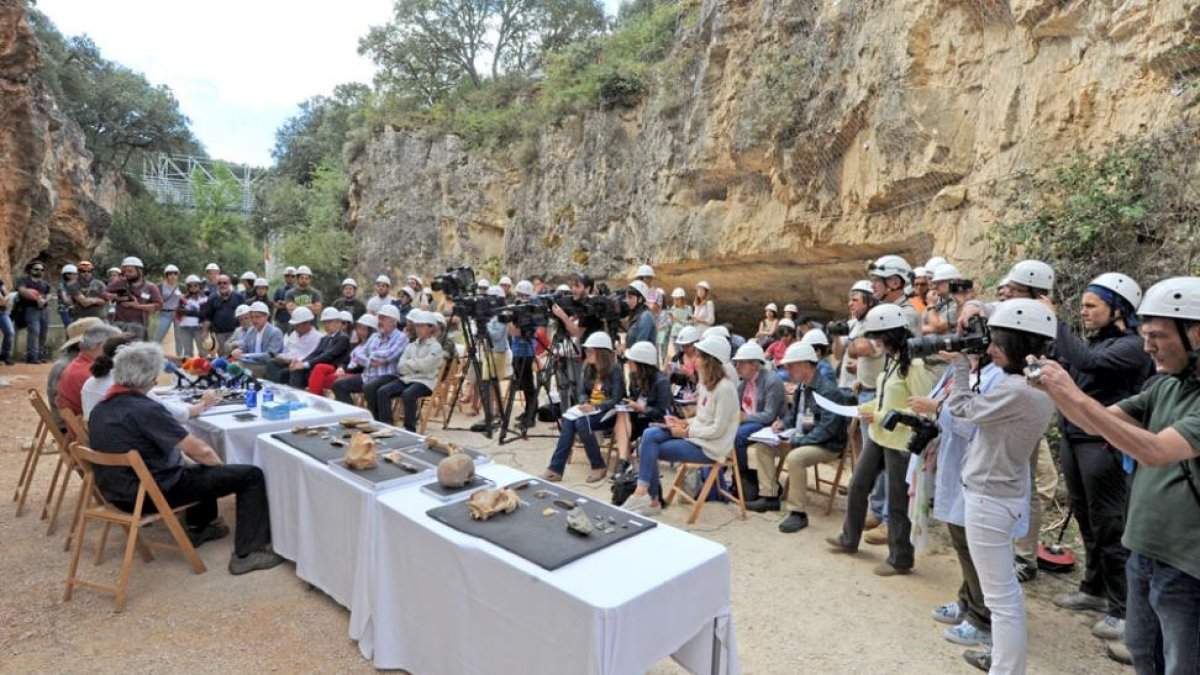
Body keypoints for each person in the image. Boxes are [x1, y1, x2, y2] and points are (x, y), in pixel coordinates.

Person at [1032, 276, 1200, 674]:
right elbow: (1099, 422)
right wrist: (1054, 388)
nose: (1147, 346)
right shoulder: (1166, 387)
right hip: (1143, 551)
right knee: (1144, 656)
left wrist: (1069, 392)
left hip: (1187, 565)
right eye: (1145, 335)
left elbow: (1155, 450)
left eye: (1157, 335)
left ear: (1196, 333)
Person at [88, 341, 284, 575]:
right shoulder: (146, 409)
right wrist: (222, 472)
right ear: (149, 376)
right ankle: (248, 552)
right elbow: (200, 450)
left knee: (193, 468)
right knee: (249, 475)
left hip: (117, 491)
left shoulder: (102, 406)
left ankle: (202, 526)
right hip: (149, 493)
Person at [944, 299, 1058, 673]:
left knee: (1001, 599)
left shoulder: (1020, 391)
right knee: (1003, 595)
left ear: (1020, 344)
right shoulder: (1031, 383)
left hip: (990, 498)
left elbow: (962, 409)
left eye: (997, 342)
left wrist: (961, 366)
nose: (990, 349)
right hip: (1001, 495)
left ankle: (1007, 669)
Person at [1049, 273, 1152, 641]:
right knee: (1086, 517)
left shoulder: (1131, 346)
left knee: (1110, 523)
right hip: (1076, 438)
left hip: (1103, 444)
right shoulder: (1094, 342)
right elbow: (1072, 362)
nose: (1085, 312)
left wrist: (1055, 320)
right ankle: (1093, 589)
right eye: (1083, 307)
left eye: (1092, 306)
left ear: (1118, 309)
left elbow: (1087, 361)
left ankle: (1124, 611)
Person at [827, 303, 932, 576]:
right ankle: (849, 538)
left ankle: (900, 558)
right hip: (879, 436)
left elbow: (923, 408)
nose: (876, 342)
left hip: (900, 442)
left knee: (897, 502)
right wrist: (869, 407)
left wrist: (883, 413)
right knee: (858, 484)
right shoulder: (893, 359)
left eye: (878, 337)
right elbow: (885, 396)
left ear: (891, 334)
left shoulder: (915, 364)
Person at [921, 354, 1006, 650]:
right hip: (958, 462)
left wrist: (938, 408)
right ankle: (967, 601)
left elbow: (969, 421)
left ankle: (982, 618)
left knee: (973, 545)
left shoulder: (999, 376)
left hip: (982, 468)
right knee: (960, 538)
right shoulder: (971, 370)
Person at [622, 335, 739, 514]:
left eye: (699, 356)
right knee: (649, 435)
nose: (695, 359)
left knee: (648, 447)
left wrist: (685, 432)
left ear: (710, 361)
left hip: (710, 447)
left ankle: (649, 498)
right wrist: (683, 422)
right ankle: (645, 494)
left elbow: (717, 430)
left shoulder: (725, 389)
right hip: (697, 437)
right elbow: (703, 417)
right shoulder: (706, 384)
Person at [746, 342, 849, 532]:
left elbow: (827, 430)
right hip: (803, 436)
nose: (787, 369)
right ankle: (769, 496)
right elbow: (795, 416)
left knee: (795, 458)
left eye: (791, 365)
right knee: (761, 447)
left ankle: (798, 512)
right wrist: (783, 424)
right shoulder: (803, 386)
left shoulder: (828, 391)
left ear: (805, 365)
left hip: (826, 444)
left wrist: (796, 441)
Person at [543, 331, 626, 484]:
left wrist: (595, 407)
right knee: (569, 420)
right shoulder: (588, 367)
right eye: (587, 350)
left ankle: (598, 466)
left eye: (591, 350)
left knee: (581, 423)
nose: (587, 353)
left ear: (601, 352)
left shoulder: (615, 370)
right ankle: (555, 468)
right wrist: (584, 402)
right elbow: (581, 392)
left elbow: (617, 399)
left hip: (608, 412)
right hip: (589, 409)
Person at [332, 304, 408, 420]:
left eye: (384, 318)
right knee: (339, 384)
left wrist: (370, 355)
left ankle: (381, 422)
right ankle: (352, 418)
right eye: (379, 318)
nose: (380, 321)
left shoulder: (401, 337)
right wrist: (370, 362)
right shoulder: (374, 336)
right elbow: (357, 353)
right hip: (367, 375)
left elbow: (390, 354)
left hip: (388, 376)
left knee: (369, 387)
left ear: (394, 322)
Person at [732, 341, 786, 496]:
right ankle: (732, 476)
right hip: (750, 420)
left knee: (738, 436)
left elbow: (769, 415)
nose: (737, 368)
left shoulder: (771, 381)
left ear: (754, 365)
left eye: (741, 364)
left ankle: (742, 476)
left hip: (768, 424)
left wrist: (744, 417)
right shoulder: (744, 382)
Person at [376, 310, 444, 431]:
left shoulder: (436, 347)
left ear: (431, 328)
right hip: (407, 379)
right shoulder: (411, 345)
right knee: (383, 391)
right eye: (417, 326)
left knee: (408, 394)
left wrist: (410, 364)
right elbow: (400, 366)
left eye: (422, 326)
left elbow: (426, 366)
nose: (418, 329)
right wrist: (415, 364)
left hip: (425, 382)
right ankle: (386, 425)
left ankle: (410, 429)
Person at [612, 341, 672, 475]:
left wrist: (641, 408)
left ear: (640, 363)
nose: (629, 363)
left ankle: (625, 463)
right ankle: (625, 460)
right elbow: (633, 397)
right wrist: (628, 404)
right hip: (637, 418)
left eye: (631, 360)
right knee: (622, 415)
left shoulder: (661, 382)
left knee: (622, 422)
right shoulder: (634, 377)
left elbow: (664, 413)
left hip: (653, 421)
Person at [54, 322, 122, 418]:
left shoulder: (77, 366)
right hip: (92, 430)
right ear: (102, 346)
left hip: (82, 427)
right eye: (117, 346)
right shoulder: (92, 374)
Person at [285, 307, 350, 390]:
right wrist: (300, 362)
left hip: (333, 367)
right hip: (320, 366)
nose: (327, 325)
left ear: (338, 323)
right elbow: (315, 353)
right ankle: (295, 394)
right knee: (293, 370)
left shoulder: (343, 338)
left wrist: (304, 365)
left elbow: (328, 355)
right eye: (325, 323)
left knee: (307, 369)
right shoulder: (325, 338)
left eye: (329, 322)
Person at [310, 313, 374, 396]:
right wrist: (341, 368)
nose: (360, 332)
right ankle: (315, 398)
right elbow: (345, 360)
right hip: (344, 370)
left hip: (357, 374)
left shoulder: (372, 346)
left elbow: (363, 365)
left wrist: (345, 370)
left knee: (324, 379)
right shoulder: (355, 345)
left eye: (364, 329)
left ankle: (316, 399)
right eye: (359, 328)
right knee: (319, 368)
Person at [104, 256, 163, 339]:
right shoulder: (119, 283)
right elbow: (103, 293)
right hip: (119, 326)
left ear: (139, 271)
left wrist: (136, 306)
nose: (127, 274)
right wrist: (116, 297)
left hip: (139, 328)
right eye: (124, 271)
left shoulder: (150, 287)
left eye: (130, 271)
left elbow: (158, 305)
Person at [266, 307, 321, 384]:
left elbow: (311, 357)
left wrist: (293, 361)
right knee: (271, 363)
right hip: (288, 361)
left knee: (286, 372)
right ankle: (271, 388)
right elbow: (287, 350)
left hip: (302, 365)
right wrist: (281, 356)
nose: (295, 328)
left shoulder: (317, 337)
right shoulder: (293, 334)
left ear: (306, 323)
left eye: (297, 325)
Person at [230, 302, 285, 377]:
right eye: (252, 317)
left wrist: (245, 355)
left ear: (266, 316)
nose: (254, 320)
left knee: (236, 367)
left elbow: (270, 355)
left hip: (266, 366)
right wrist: (239, 350)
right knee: (230, 365)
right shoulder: (251, 330)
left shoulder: (275, 332)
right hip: (251, 363)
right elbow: (245, 347)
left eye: (257, 317)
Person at [16, 261, 52, 363]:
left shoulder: (44, 283)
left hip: (44, 310)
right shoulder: (23, 280)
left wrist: (45, 300)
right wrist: (36, 299)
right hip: (31, 309)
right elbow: (22, 291)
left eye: (41, 270)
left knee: (43, 333)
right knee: (34, 332)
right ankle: (32, 356)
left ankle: (40, 355)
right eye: (36, 269)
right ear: (30, 270)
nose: (39, 271)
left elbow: (49, 293)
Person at [201, 274, 244, 356]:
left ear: (229, 284)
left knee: (235, 354)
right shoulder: (212, 298)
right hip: (219, 333)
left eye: (225, 283)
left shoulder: (238, 297)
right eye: (219, 283)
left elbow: (245, 314)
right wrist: (204, 331)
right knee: (223, 355)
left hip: (236, 332)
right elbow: (207, 317)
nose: (222, 285)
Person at [175, 276, 209, 358]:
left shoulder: (204, 298)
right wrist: (196, 312)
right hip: (185, 327)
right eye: (190, 285)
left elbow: (204, 314)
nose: (193, 287)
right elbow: (179, 311)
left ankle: (204, 369)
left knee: (203, 351)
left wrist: (188, 312)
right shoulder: (182, 298)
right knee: (187, 353)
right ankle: (188, 370)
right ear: (187, 287)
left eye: (195, 285)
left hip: (199, 327)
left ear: (199, 286)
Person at [155, 265, 183, 352]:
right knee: (159, 336)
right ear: (166, 275)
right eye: (170, 274)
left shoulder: (182, 287)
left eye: (175, 274)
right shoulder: (159, 287)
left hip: (178, 314)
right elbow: (154, 298)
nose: (173, 276)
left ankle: (180, 359)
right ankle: (154, 355)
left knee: (179, 338)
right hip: (165, 313)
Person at [624, 281, 657, 347]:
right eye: (626, 297)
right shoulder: (635, 315)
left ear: (640, 299)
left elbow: (640, 343)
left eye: (630, 297)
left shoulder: (646, 316)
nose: (627, 301)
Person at [272, 266, 296, 332]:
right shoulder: (279, 289)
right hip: (280, 320)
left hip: (294, 320)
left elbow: (298, 304)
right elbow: (274, 304)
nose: (290, 278)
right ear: (284, 277)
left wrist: (283, 304)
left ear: (296, 277)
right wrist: (287, 305)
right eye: (287, 276)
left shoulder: (298, 291)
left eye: (292, 276)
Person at [0, 275, 12, 365]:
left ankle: (5, 355)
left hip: (2, 311)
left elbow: (5, 293)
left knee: (9, 332)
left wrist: (8, 298)